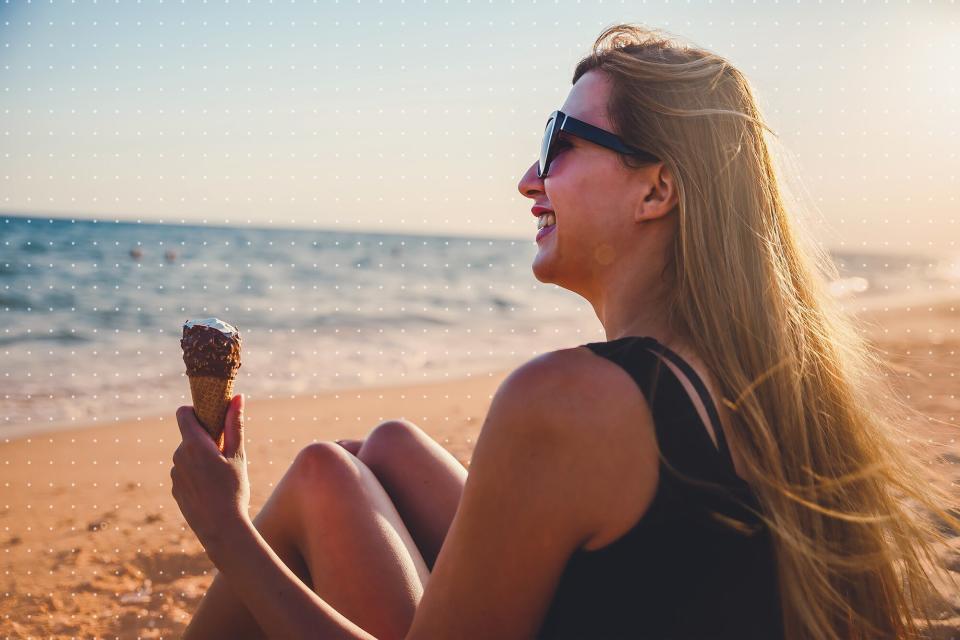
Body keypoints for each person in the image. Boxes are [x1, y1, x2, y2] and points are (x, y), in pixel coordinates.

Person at [170, 23, 959, 640]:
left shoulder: (572, 400)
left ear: (658, 190)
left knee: (318, 476)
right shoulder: (763, 379)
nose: (527, 180)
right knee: (384, 450)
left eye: (561, 143)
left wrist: (226, 529)